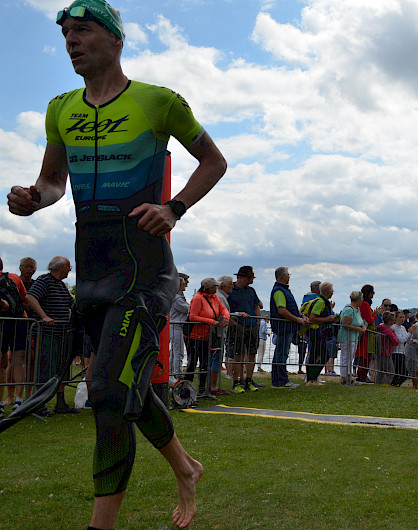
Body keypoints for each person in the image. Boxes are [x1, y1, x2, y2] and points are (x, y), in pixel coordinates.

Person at [6, 2, 227, 526]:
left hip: (146, 270)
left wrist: (175, 208)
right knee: (126, 385)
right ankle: (186, 467)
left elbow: (214, 161)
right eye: (66, 35)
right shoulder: (59, 108)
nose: (71, 42)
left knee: (105, 390)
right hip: (93, 267)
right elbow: (56, 183)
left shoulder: (159, 101)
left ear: (116, 39)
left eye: (82, 31)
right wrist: (35, 197)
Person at [25, 256, 76, 413]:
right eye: (69, 267)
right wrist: (44, 316)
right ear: (61, 267)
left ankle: (60, 403)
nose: (70, 270)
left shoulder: (60, 285)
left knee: (62, 368)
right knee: (46, 369)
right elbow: (30, 297)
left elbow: (72, 304)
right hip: (48, 333)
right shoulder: (44, 280)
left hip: (61, 333)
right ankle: (39, 405)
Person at [186, 278, 229, 394]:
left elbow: (223, 309)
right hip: (195, 336)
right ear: (209, 288)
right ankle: (186, 388)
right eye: (215, 286)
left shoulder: (214, 297)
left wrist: (226, 317)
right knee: (192, 363)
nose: (217, 288)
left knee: (205, 363)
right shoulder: (197, 298)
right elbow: (192, 317)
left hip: (208, 336)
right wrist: (210, 321)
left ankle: (202, 389)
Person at [0, 256, 29, 415]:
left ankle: (1, 403)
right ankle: (19, 399)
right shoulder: (14, 277)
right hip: (20, 321)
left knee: (2, 362)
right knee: (19, 361)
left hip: (3, 323)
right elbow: (24, 300)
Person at [227, 266, 262, 393]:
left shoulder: (251, 291)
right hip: (238, 325)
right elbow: (225, 308)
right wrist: (232, 322)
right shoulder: (230, 290)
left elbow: (256, 306)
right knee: (238, 355)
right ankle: (236, 382)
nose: (252, 280)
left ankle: (248, 380)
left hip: (252, 325)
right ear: (241, 277)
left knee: (252, 354)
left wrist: (257, 322)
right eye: (250, 278)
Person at [270, 267, 306, 388]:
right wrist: (297, 319)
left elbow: (288, 309)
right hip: (284, 327)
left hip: (286, 327)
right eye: (288, 274)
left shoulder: (284, 290)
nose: (289, 276)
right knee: (282, 353)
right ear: (284, 276)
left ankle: (278, 380)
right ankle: (282, 380)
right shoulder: (279, 291)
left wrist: (300, 315)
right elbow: (282, 310)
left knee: (281, 353)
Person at [305, 282, 336, 385]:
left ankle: (311, 379)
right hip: (317, 332)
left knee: (315, 355)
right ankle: (312, 378)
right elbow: (312, 318)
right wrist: (328, 319)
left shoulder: (322, 301)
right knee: (323, 355)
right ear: (329, 292)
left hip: (318, 332)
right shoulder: (320, 302)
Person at [337, 290, 366, 385]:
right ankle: (344, 378)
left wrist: (362, 327)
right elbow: (345, 324)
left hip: (354, 337)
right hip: (347, 337)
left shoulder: (357, 310)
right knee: (346, 357)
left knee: (351, 357)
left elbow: (360, 322)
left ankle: (348, 376)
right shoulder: (349, 309)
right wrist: (357, 328)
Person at [169, 273, 190, 383]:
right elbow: (188, 309)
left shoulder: (177, 298)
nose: (185, 285)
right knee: (178, 352)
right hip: (176, 326)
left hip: (176, 326)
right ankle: (177, 374)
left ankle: (172, 372)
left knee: (175, 351)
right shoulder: (177, 299)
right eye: (183, 284)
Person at [298, 281, 322, 374]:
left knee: (310, 351)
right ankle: (312, 374)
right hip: (315, 327)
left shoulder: (306, 298)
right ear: (319, 289)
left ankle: (309, 373)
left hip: (307, 328)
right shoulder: (317, 299)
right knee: (315, 352)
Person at [355, 284, 377, 382]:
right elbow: (370, 319)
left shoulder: (364, 304)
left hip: (368, 332)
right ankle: (362, 375)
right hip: (367, 333)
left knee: (366, 354)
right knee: (365, 355)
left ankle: (362, 374)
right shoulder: (365, 304)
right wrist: (375, 315)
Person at [374, 311, 398, 385]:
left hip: (378, 352)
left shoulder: (380, 327)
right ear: (390, 321)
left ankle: (377, 384)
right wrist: (393, 333)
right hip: (386, 352)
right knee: (391, 372)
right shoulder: (388, 330)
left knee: (380, 371)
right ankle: (386, 385)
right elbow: (395, 342)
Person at [389, 310, 410, 386]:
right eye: (400, 317)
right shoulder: (393, 327)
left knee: (404, 373)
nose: (402, 319)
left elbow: (406, 339)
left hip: (402, 352)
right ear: (396, 318)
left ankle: (396, 384)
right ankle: (394, 384)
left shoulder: (403, 328)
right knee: (398, 372)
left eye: (403, 317)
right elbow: (400, 340)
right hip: (395, 352)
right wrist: (410, 332)